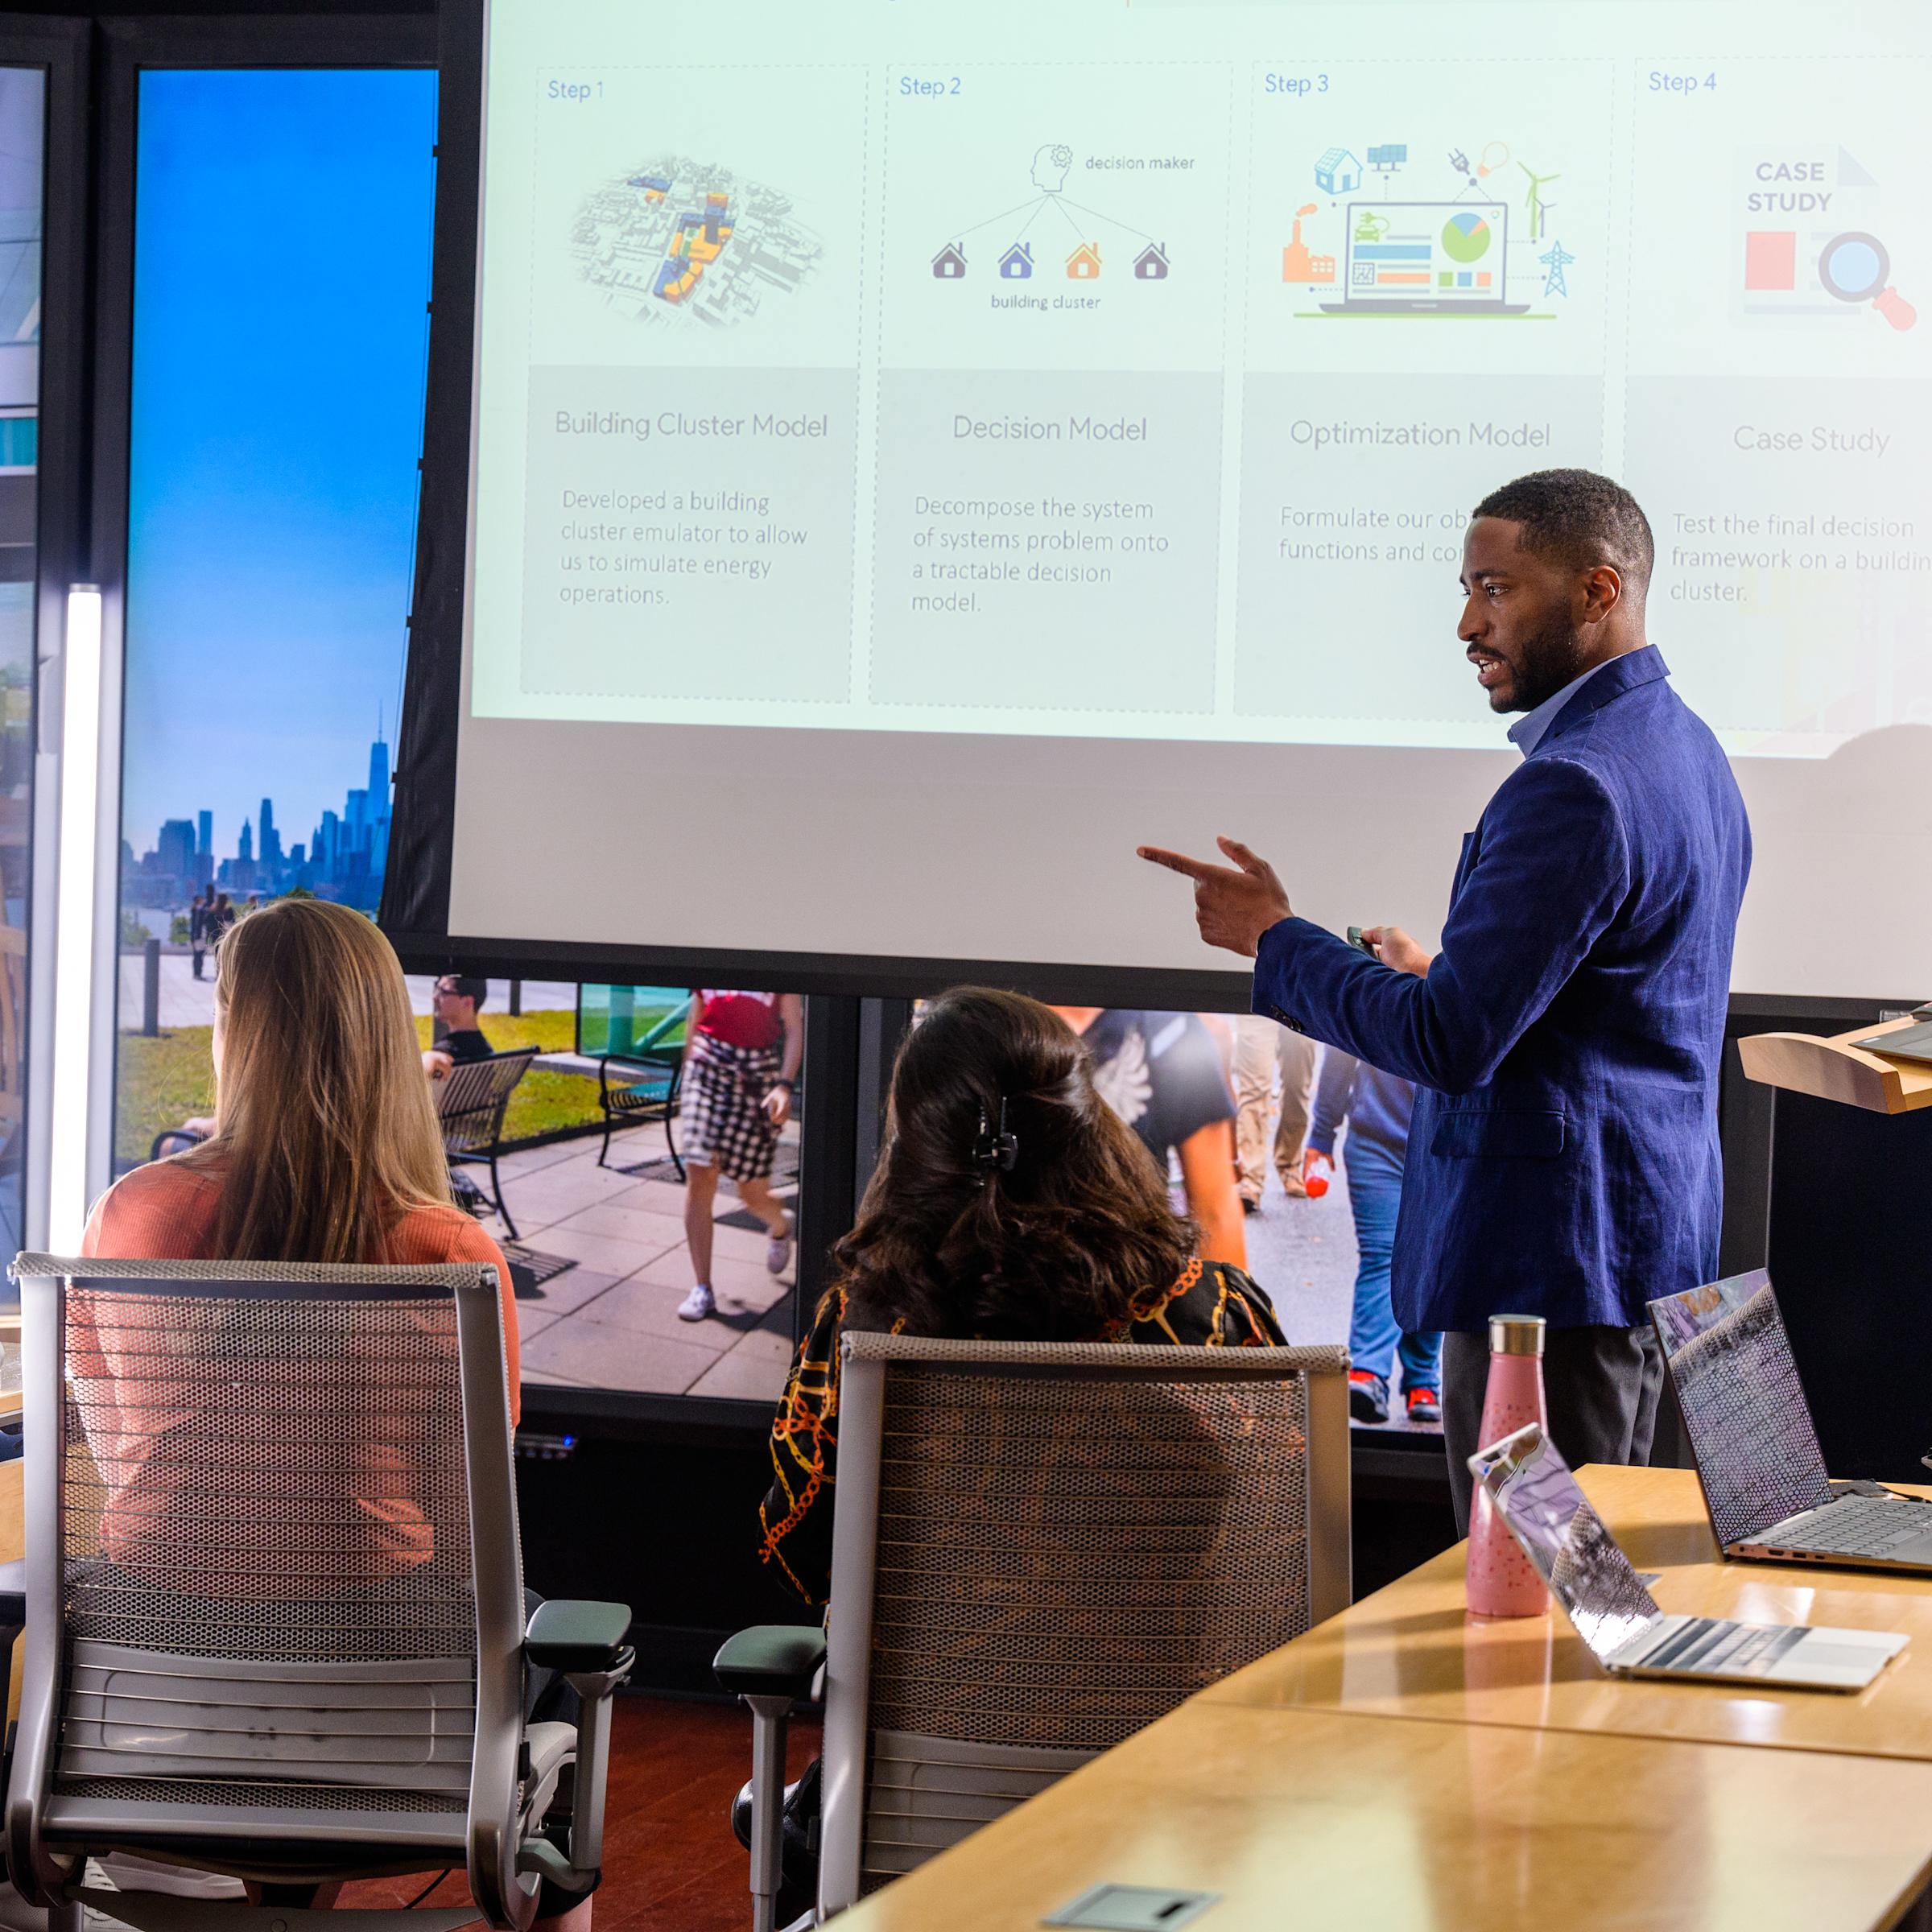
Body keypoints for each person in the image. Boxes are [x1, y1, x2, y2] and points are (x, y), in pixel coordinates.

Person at [1141, 469, 1751, 1529]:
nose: (1469, 623)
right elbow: (1604, 1001)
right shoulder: (1684, 746)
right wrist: (1440, 970)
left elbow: (1450, 1042)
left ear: (1599, 590)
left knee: (1536, 1604)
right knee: (1583, 1597)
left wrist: (1274, 941)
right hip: (1625, 1246)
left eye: (1496, 590)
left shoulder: (1576, 784)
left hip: (1550, 1275)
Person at [74, 902, 587, 1926]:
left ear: (235, 1030)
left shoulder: (133, 1213)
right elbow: (471, 1521)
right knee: (562, 1684)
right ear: (381, 1044)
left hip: (142, 1687)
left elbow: (112, 1448)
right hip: (385, 1701)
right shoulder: (444, 1253)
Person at [1051, 1006, 1248, 1268]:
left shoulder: (1170, 1031)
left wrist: (1227, 1305)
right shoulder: (992, 1019)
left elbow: (1215, 1212)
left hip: (1133, 1280)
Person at [1306, 1049, 1438, 1426]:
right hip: (1374, 1143)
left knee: (1432, 1259)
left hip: (1445, 1145)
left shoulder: (1464, 986)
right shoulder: (1378, 984)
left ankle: (1422, 1378)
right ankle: (1367, 1371)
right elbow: (1340, 1049)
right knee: (1384, 1254)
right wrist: (1321, 1135)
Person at [677, 989, 803, 1322]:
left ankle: (780, 1225)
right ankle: (701, 1287)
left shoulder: (776, 964)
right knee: (700, 1172)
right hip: (707, 1064)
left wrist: (784, 1086)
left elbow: (794, 1029)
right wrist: (687, 1073)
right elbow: (697, 1015)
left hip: (756, 1071)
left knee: (752, 1194)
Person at [1228, 1014, 1319, 1209]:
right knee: (1254, 1089)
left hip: (1299, 997)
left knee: (1298, 1086)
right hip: (1255, 999)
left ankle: (1289, 1165)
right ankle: (1250, 1179)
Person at [423, 972, 493, 1081]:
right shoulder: (485, 1049)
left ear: (467, 1002)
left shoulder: (442, 1057)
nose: (435, 997)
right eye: (437, 989)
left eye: (443, 992)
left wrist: (426, 1060)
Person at [188, 890, 208, 981]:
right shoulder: (199, 911)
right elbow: (198, 925)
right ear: (199, 901)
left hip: (196, 936)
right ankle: (198, 973)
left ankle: (196, 973)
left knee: (197, 955)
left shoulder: (195, 910)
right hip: (199, 936)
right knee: (199, 955)